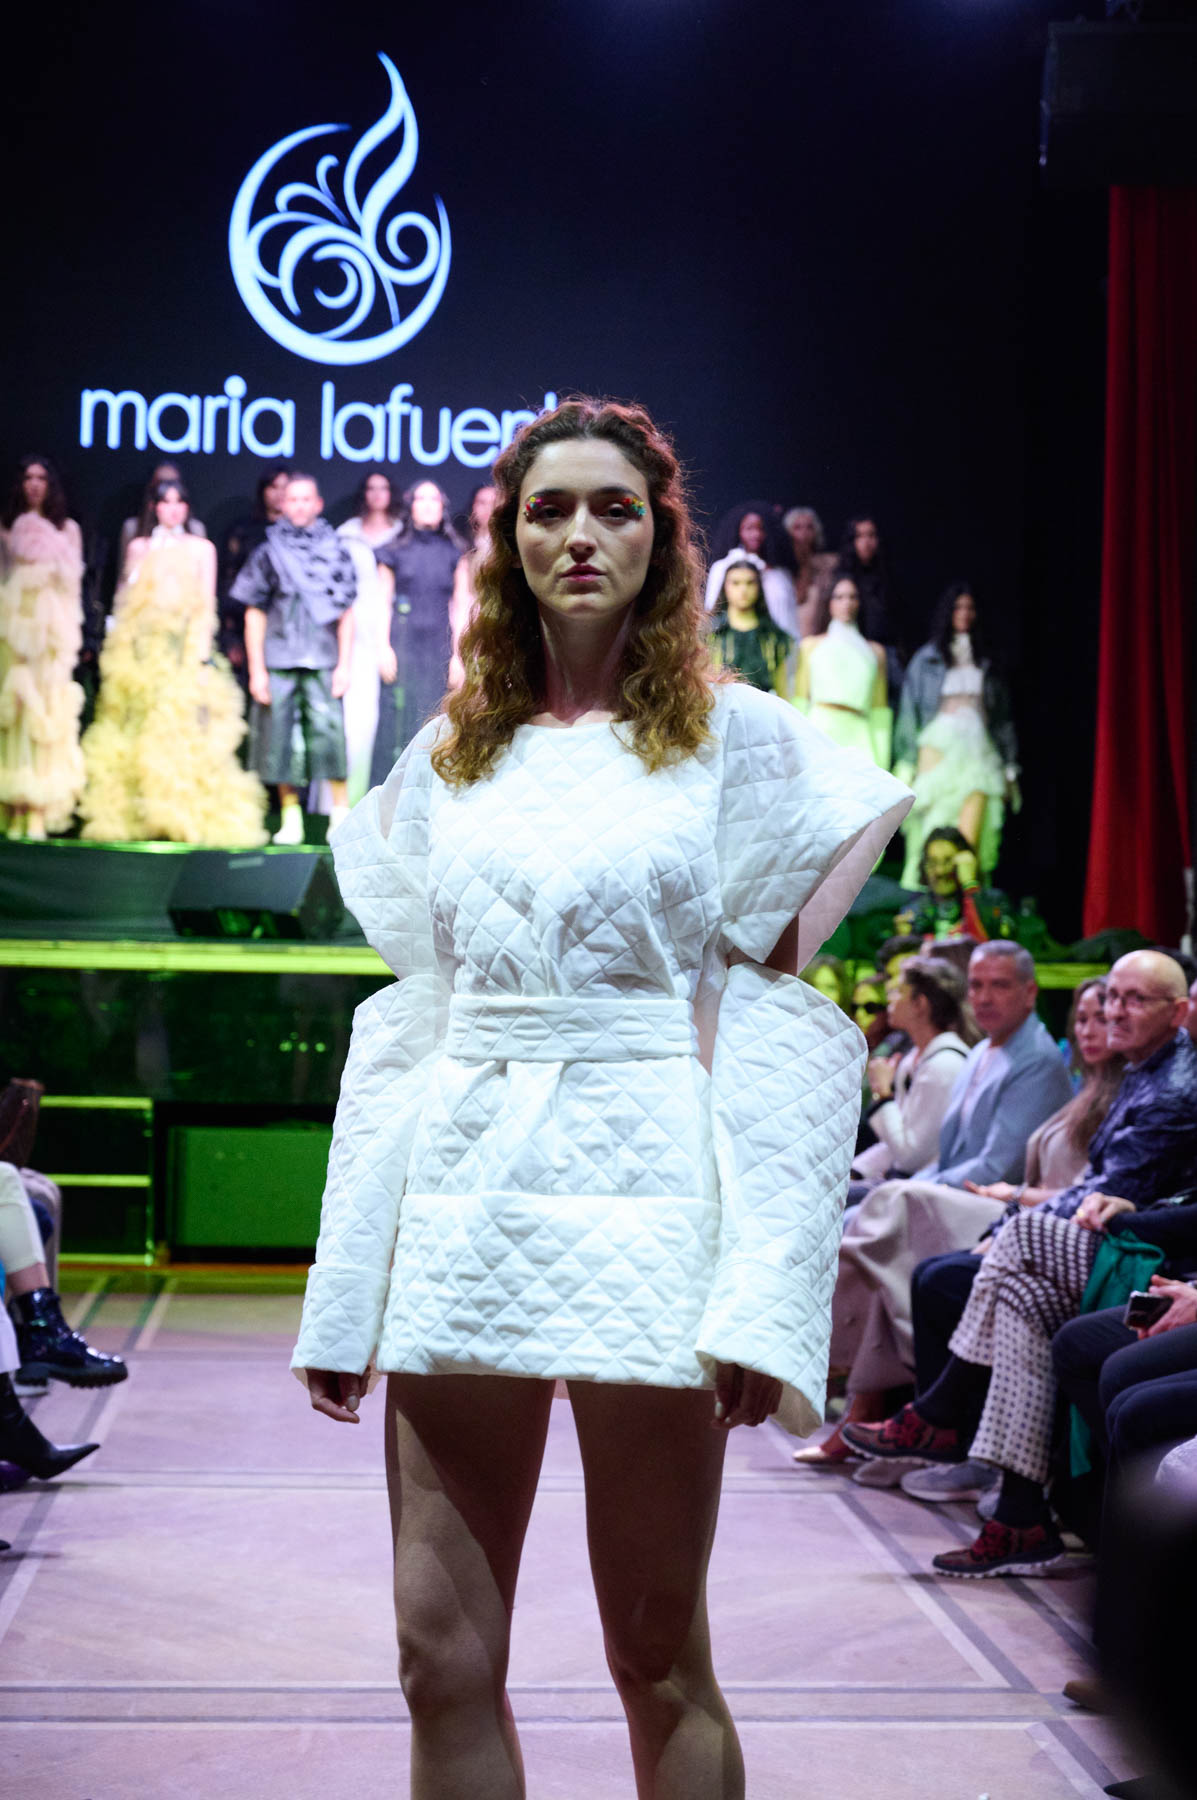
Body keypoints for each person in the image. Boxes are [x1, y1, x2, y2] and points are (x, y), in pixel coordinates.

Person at [291, 396, 912, 1799]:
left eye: (613, 508)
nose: (580, 534)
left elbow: (774, 1036)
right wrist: (348, 1287)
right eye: (549, 509)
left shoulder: (741, 742)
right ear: (509, 541)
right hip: (464, 1205)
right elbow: (411, 1031)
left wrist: (763, 1296)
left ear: (659, 538)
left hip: (650, 1210)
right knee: (437, 1657)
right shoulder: (447, 757)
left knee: (657, 1655)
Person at [845, 953, 1197, 1567]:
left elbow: (1105, 1197)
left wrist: (1009, 1218)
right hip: (1121, 1240)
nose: (1113, 1013)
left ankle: (940, 1412)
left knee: (1017, 1239)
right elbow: (1096, 1188)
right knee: (1019, 1295)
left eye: (1134, 1000)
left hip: (1146, 1255)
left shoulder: (1172, 1086)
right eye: (1110, 998)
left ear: (1179, 1013)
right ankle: (1019, 1515)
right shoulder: (1143, 1070)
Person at [812, 943, 1074, 1468]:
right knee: (878, 1221)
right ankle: (867, 1404)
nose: (985, 997)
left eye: (1000, 985)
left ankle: (859, 1394)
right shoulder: (979, 1053)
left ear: (1030, 993)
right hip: (962, 1194)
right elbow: (940, 1156)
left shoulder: (1036, 1061)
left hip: (1002, 1208)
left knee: (886, 1217)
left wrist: (895, 1146)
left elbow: (994, 1166)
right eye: (977, 985)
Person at [79, 480, 267, 846]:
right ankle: (139, 816)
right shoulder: (139, 547)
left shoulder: (201, 548)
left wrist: (199, 657)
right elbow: (124, 599)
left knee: (179, 730)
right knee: (136, 728)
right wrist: (122, 650)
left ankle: (177, 816)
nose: (173, 509)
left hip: (182, 651)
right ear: (154, 507)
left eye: (179, 502)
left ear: (187, 508)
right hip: (141, 651)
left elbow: (205, 605)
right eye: (165, 502)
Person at [232, 472, 356, 845]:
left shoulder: (336, 549)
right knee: (278, 739)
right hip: (279, 656)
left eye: (306, 499)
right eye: (293, 499)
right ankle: (291, 818)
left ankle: (340, 814)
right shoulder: (268, 551)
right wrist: (257, 670)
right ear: (283, 504)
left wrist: (345, 664)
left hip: (323, 657)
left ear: (318, 504)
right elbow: (255, 612)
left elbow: (346, 613)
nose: (300, 506)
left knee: (329, 736)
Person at [895, 584, 1018, 887]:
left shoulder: (987, 660)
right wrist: (907, 761)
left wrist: (1010, 767)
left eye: (969, 607)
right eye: (958, 607)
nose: (964, 614)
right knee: (934, 820)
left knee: (975, 826)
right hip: (938, 746)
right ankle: (928, 897)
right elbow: (910, 711)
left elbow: (1001, 719)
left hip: (978, 751)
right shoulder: (928, 659)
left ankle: (968, 898)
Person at [0, 455, 86, 839]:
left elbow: (73, 588)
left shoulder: (68, 530)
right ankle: (11, 806)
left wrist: (68, 638)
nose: (34, 484)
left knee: (45, 709)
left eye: (41, 478)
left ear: (51, 485)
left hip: (51, 633)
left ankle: (37, 808)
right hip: (12, 629)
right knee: (14, 711)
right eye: (27, 477)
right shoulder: (6, 528)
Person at [369, 479, 465, 787]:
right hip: (402, 645)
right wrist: (382, 647)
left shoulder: (455, 551)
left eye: (434, 499)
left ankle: (431, 794)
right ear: (410, 506)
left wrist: (459, 657)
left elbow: (460, 606)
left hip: (439, 648)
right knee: (396, 721)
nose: (427, 505)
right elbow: (381, 602)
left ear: (442, 506)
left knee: (437, 720)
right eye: (421, 498)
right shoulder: (392, 551)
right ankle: (387, 796)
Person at [850, 956, 975, 1192]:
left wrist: (883, 1094)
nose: (890, 998)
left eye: (898, 991)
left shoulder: (945, 1066)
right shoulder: (914, 1059)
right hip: (901, 1181)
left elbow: (909, 1157)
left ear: (920, 1004)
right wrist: (853, 1171)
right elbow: (893, 1145)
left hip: (927, 1188)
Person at [337, 470, 403, 805]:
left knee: (390, 716)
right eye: (371, 488)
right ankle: (348, 800)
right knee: (356, 718)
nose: (377, 494)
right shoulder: (346, 534)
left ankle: (385, 800)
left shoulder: (402, 533)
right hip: (354, 627)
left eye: (383, 487)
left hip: (395, 626)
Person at [794, 574, 890, 766]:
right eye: (839, 597)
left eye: (852, 597)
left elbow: (879, 710)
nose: (846, 603)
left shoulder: (875, 652)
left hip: (860, 736)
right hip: (819, 730)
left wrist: (883, 760)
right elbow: (800, 700)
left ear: (860, 602)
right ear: (829, 603)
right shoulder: (810, 646)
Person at [216, 464, 290, 682]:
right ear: (263, 492)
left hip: (289, 630)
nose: (279, 494)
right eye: (273, 487)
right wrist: (230, 638)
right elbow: (228, 585)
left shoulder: (303, 537)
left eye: (285, 487)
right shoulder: (244, 532)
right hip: (246, 625)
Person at [895, 826, 1015, 944]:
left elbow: (993, 942)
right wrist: (905, 940)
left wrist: (970, 884)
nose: (940, 871)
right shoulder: (914, 911)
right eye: (932, 862)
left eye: (948, 861)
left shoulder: (994, 901)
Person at [705, 554, 796, 696]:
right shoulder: (711, 634)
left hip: (763, 706)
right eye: (735, 583)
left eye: (750, 583)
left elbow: (782, 687)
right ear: (725, 586)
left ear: (759, 586)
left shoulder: (774, 637)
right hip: (720, 704)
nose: (743, 590)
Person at [703, 500, 799, 634]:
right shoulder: (723, 567)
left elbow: (790, 616)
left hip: (778, 640)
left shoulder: (780, 574)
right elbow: (712, 609)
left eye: (761, 528)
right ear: (737, 531)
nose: (756, 534)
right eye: (749, 528)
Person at [448, 483, 498, 689]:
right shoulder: (463, 548)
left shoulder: (515, 549)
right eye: (482, 503)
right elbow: (461, 602)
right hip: (473, 625)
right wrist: (458, 655)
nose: (488, 509)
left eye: (494, 503)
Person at [116, 459, 206, 571]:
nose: (173, 508)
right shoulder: (133, 530)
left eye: (174, 485)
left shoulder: (197, 532)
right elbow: (125, 575)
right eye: (165, 499)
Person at [830, 516, 895, 648]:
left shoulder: (888, 574)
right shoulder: (842, 578)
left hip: (885, 645)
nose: (866, 542)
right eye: (860, 536)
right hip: (852, 645)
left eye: (871, 535)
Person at [783, 505, 837, 639]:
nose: (804, 532)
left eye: (809, 527)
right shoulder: (781, 568)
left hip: (817, 637)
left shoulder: (829, 564)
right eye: (797, 527)